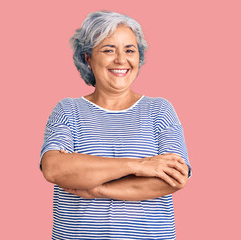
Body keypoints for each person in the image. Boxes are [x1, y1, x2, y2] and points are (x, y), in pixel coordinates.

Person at [40, 11, 191, 239]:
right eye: (108, 50)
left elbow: (175, 178)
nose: (121, 60)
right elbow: (54, 168)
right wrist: (140, 165)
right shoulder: (67, 110)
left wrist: (98, 189)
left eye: (129, 50)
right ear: (88, 57)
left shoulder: (160, 110)